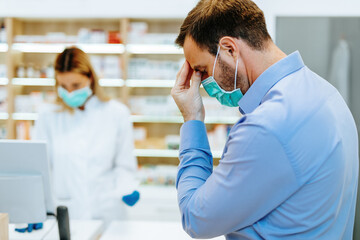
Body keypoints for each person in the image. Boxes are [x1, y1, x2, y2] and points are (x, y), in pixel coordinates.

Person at [171, 0, 359, 239]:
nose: (204, 86)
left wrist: (192, 119)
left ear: (229, 49)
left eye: (203, 71)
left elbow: (196, 219)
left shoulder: (266, 126)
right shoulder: (327, 94)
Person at [33, 47, 139, 225]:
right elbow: (41, 169)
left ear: (90, 78)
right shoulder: (47, 116)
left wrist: (126, 187)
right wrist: (36, 210)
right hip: (66, 215)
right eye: (63, 86)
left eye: (76, 85)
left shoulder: (116, 113)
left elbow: (125, 165)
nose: (70, 92)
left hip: (107, 212)